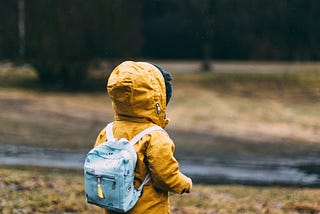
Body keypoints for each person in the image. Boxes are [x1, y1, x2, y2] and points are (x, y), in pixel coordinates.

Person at [93, 61, 192, 214]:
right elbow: (165, 175)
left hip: (115, 207)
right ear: (157, 99)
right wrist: (184, 184)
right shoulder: (155, 136)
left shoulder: (108, 131)